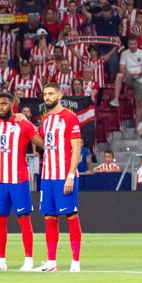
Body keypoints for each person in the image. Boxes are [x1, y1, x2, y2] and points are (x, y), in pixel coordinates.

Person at [0, 91, 43, 272]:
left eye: (4, 104)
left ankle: (29, 260)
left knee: (24, 218)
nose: (0, 107)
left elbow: (42, 143)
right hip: (0, 180)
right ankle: (0, 260)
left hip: (18, 180)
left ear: (12, 104)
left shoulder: (22, 124)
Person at [37, 82, 84, 272]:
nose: (47, 97)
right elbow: (43, 143)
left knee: (71, 214)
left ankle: (75, 261)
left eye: (51, 94)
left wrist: (71, 175)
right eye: (45, 94)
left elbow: (76, 148)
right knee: (49, 216)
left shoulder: (69, 117)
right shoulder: (46, 118)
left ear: (59, 95)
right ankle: (51, 262)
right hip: (47, 175)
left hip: (64, 175)